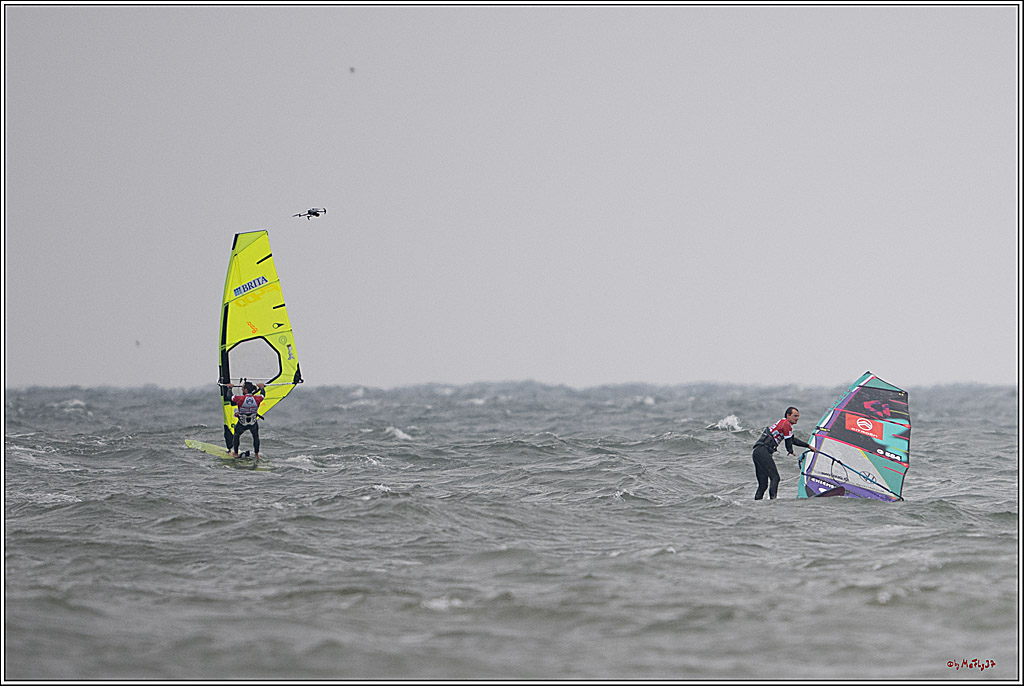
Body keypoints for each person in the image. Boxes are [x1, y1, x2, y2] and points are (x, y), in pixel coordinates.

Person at [751, 406, 811, 500]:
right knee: (775, 478)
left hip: (757, 452)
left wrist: (808, 446)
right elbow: (788, 442)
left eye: (798, 416)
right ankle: (773, 502)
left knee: (763, 485)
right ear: (788, 415)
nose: (797, 418)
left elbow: (792, 440)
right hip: (763, 451)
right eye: (795, 416)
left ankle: (756, 505)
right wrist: (790, 451)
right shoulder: (786, 424)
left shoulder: (782, 423)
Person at [228, 380, 266, 458]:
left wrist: (229, 388)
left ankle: (235, 453)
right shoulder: (257, 399)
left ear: (245, 390)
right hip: (253, 423)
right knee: (255, 436)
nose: (241, 389)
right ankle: (256, 454)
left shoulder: (240, 399)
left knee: (236, 435)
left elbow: (229, 396)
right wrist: (262, 388)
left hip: (242, 424)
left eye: (242, 388)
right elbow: (263, 395)